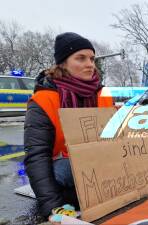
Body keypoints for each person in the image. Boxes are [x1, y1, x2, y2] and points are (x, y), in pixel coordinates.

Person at [23, 32, 114, 222]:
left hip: (99, 164)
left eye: (92, 58)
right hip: (64, 169)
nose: (90, 64)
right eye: (81, 58)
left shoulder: (103, 94)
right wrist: (53, 208)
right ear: (63, 63)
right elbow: (37, 155)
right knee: (59, 172)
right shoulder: (43, 100)